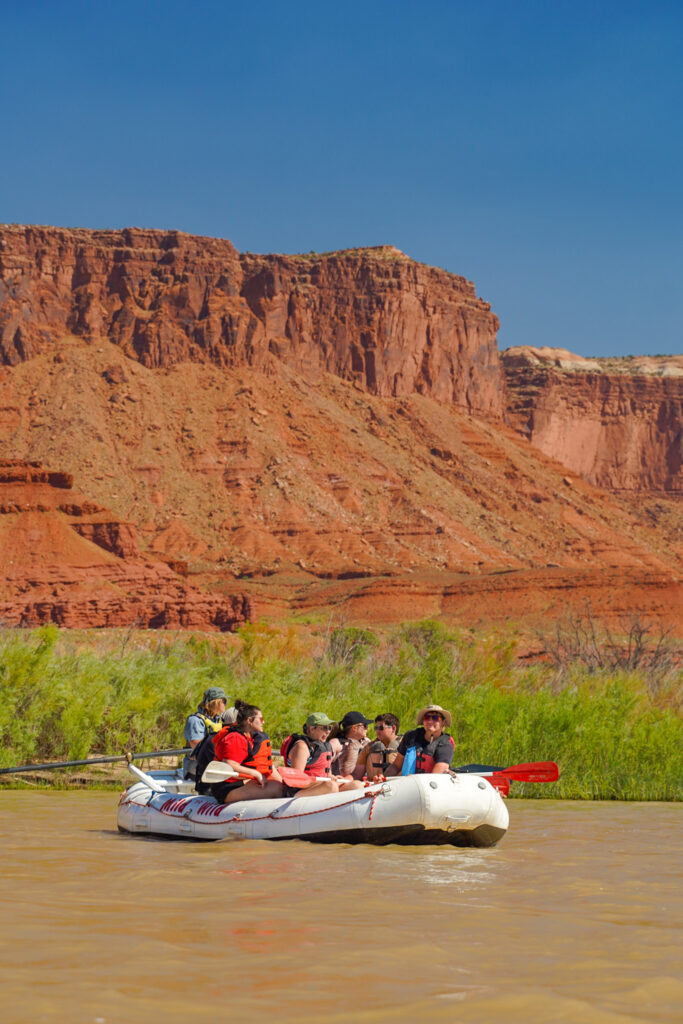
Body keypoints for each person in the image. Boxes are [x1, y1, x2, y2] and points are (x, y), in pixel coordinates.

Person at [197, 698, 285, 804]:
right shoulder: (235, 738)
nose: (263, 722)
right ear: (249, 720)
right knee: (277, 788)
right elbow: (229, 765)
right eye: (261, 719)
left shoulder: (250, 738)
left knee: (279, 784)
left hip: (239, 783)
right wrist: (256, 774)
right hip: (226, 790)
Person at [282, 713, 364, 794]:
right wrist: (324, 782)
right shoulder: (302, 747)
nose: (328, 731)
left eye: (329, 728)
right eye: (324, 728)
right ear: (312, 729)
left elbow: (327, 774)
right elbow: (297, 780)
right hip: (301, 791)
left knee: (356, 785)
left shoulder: (325, 746)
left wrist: (332, 778)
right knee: (331, 786)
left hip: (323, 786)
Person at [385, 704, 454, 776]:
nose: (430, 721)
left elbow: (436, 777)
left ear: (444, 722)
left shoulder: (445, 745)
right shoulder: (410, 736)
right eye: (427, 717)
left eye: (435, 718)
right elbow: (396, 766)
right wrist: (383, 779)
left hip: (429, 785)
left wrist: (414, 780)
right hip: (407, 782)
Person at [183, 687, 228, 779]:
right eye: (223, 701)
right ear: (215, 702)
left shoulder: (219, 720)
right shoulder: (195, 720)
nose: (225, 704)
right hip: (196, 767)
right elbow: (196, 746)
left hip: (214, 763)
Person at [330, 711, 372, 779]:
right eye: (365, 725)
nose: (367, 728)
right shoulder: (336, 743)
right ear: (354, 728)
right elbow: (324, 763)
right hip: (341, 784)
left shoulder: (366, 742)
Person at [362, 713, 401, 781]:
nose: (377, 731)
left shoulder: (405, 745)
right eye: (376, 728)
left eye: (381, 728)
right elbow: (357, 772)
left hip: (397, 784)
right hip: (373, 784)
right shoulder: (369, 747)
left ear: (393, 728)